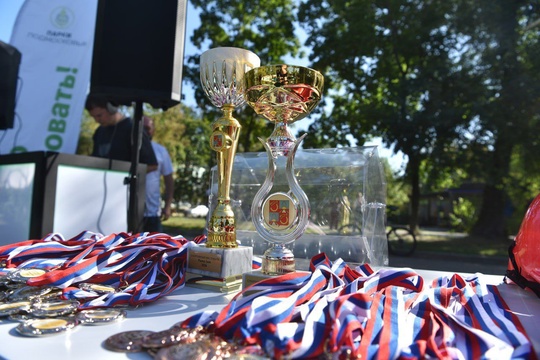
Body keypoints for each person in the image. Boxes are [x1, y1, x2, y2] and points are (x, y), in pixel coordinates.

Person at [85, 95, 158, 173]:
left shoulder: (133, 129)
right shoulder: (99, 132)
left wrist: (123, 173)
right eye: (93, 117)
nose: (97, 120)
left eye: (99, 115)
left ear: (111, 108)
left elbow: (152, 165)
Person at [142, 116, 174, 233]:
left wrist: (167, 206)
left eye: (147, 128)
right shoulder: (129, 148)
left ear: (153, 130)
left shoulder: (161, 151)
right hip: (129, 212)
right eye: (142, 128)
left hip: (152, 214)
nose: (145, 131)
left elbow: (169, 180)